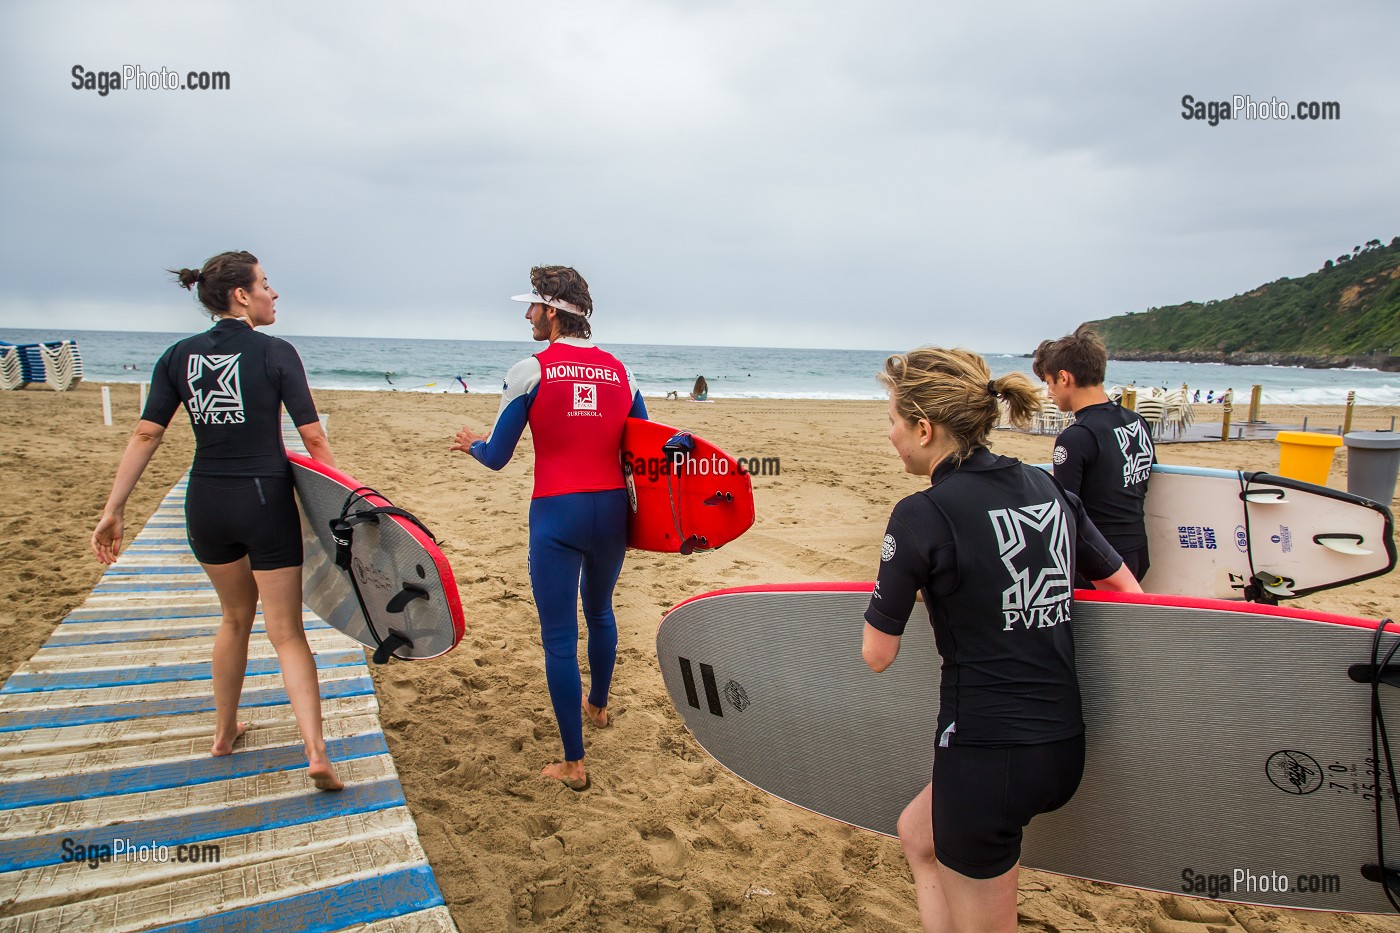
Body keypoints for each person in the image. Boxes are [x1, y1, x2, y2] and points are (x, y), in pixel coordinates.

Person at [863, 346, 1142, 932]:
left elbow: (877, 654)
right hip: (1062, 744)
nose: (890, 435)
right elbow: (1126, 588)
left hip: (986, 756)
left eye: (891, 420)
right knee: (919, 833)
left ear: (923, 426)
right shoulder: (1046, 486)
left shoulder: (922, 515)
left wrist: (916, 584)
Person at [91, 251, 343, 791]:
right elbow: (314, 438)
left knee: (234, 618)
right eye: (267, 285)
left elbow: (146, 434)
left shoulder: (176, 356)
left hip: (205, 501)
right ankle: (316, 752)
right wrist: (345, 502)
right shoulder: (276, 353)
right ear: (241, 296)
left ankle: (224, 733)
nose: (275, 294)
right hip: (264, 499)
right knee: (287, 633)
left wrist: (115, 509)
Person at [450, 265, 647, 791]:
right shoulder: (623, 373)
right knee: (601, 611)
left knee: (560, 639)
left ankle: (574, 765)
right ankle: (599, 708)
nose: (527, 314)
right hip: (611, 514)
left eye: (532, 306)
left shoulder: (530, 370)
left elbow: (496, 458)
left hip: (557, 515)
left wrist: (470, 442)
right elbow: (643, 453)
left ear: (554, 312)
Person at [1033, 326, 1155, 584]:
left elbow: (1065, 513)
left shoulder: (1076, 437)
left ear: (1064, 378)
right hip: (1138, 553)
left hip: (1100, 564)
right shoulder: (1136, 422)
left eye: (1048, 382)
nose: (1048, 393)